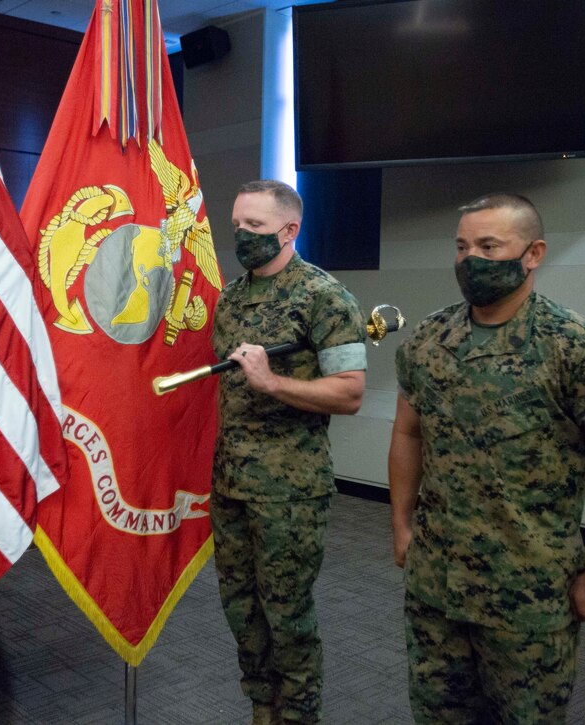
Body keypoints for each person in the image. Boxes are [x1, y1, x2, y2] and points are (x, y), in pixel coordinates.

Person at [389, 193, 585, 724]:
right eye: (463, 247)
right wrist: (400, 522)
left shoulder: (578, 348)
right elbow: (408, 432)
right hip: (436, 585)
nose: (471, 260)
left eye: (490, 246)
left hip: (528, 596)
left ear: (533, 254)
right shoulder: (429, 338)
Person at [210, 179, 367, 724]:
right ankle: (262, 707)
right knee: (241, 608)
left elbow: (349, 392)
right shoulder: (230, 299)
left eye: (255, 227)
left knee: (287, 614)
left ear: (289, 230)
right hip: (231, 483)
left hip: (290, 490)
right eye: (237, 226)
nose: (242, 236)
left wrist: (273, 384)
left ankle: (298, 715)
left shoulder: (325, 297)